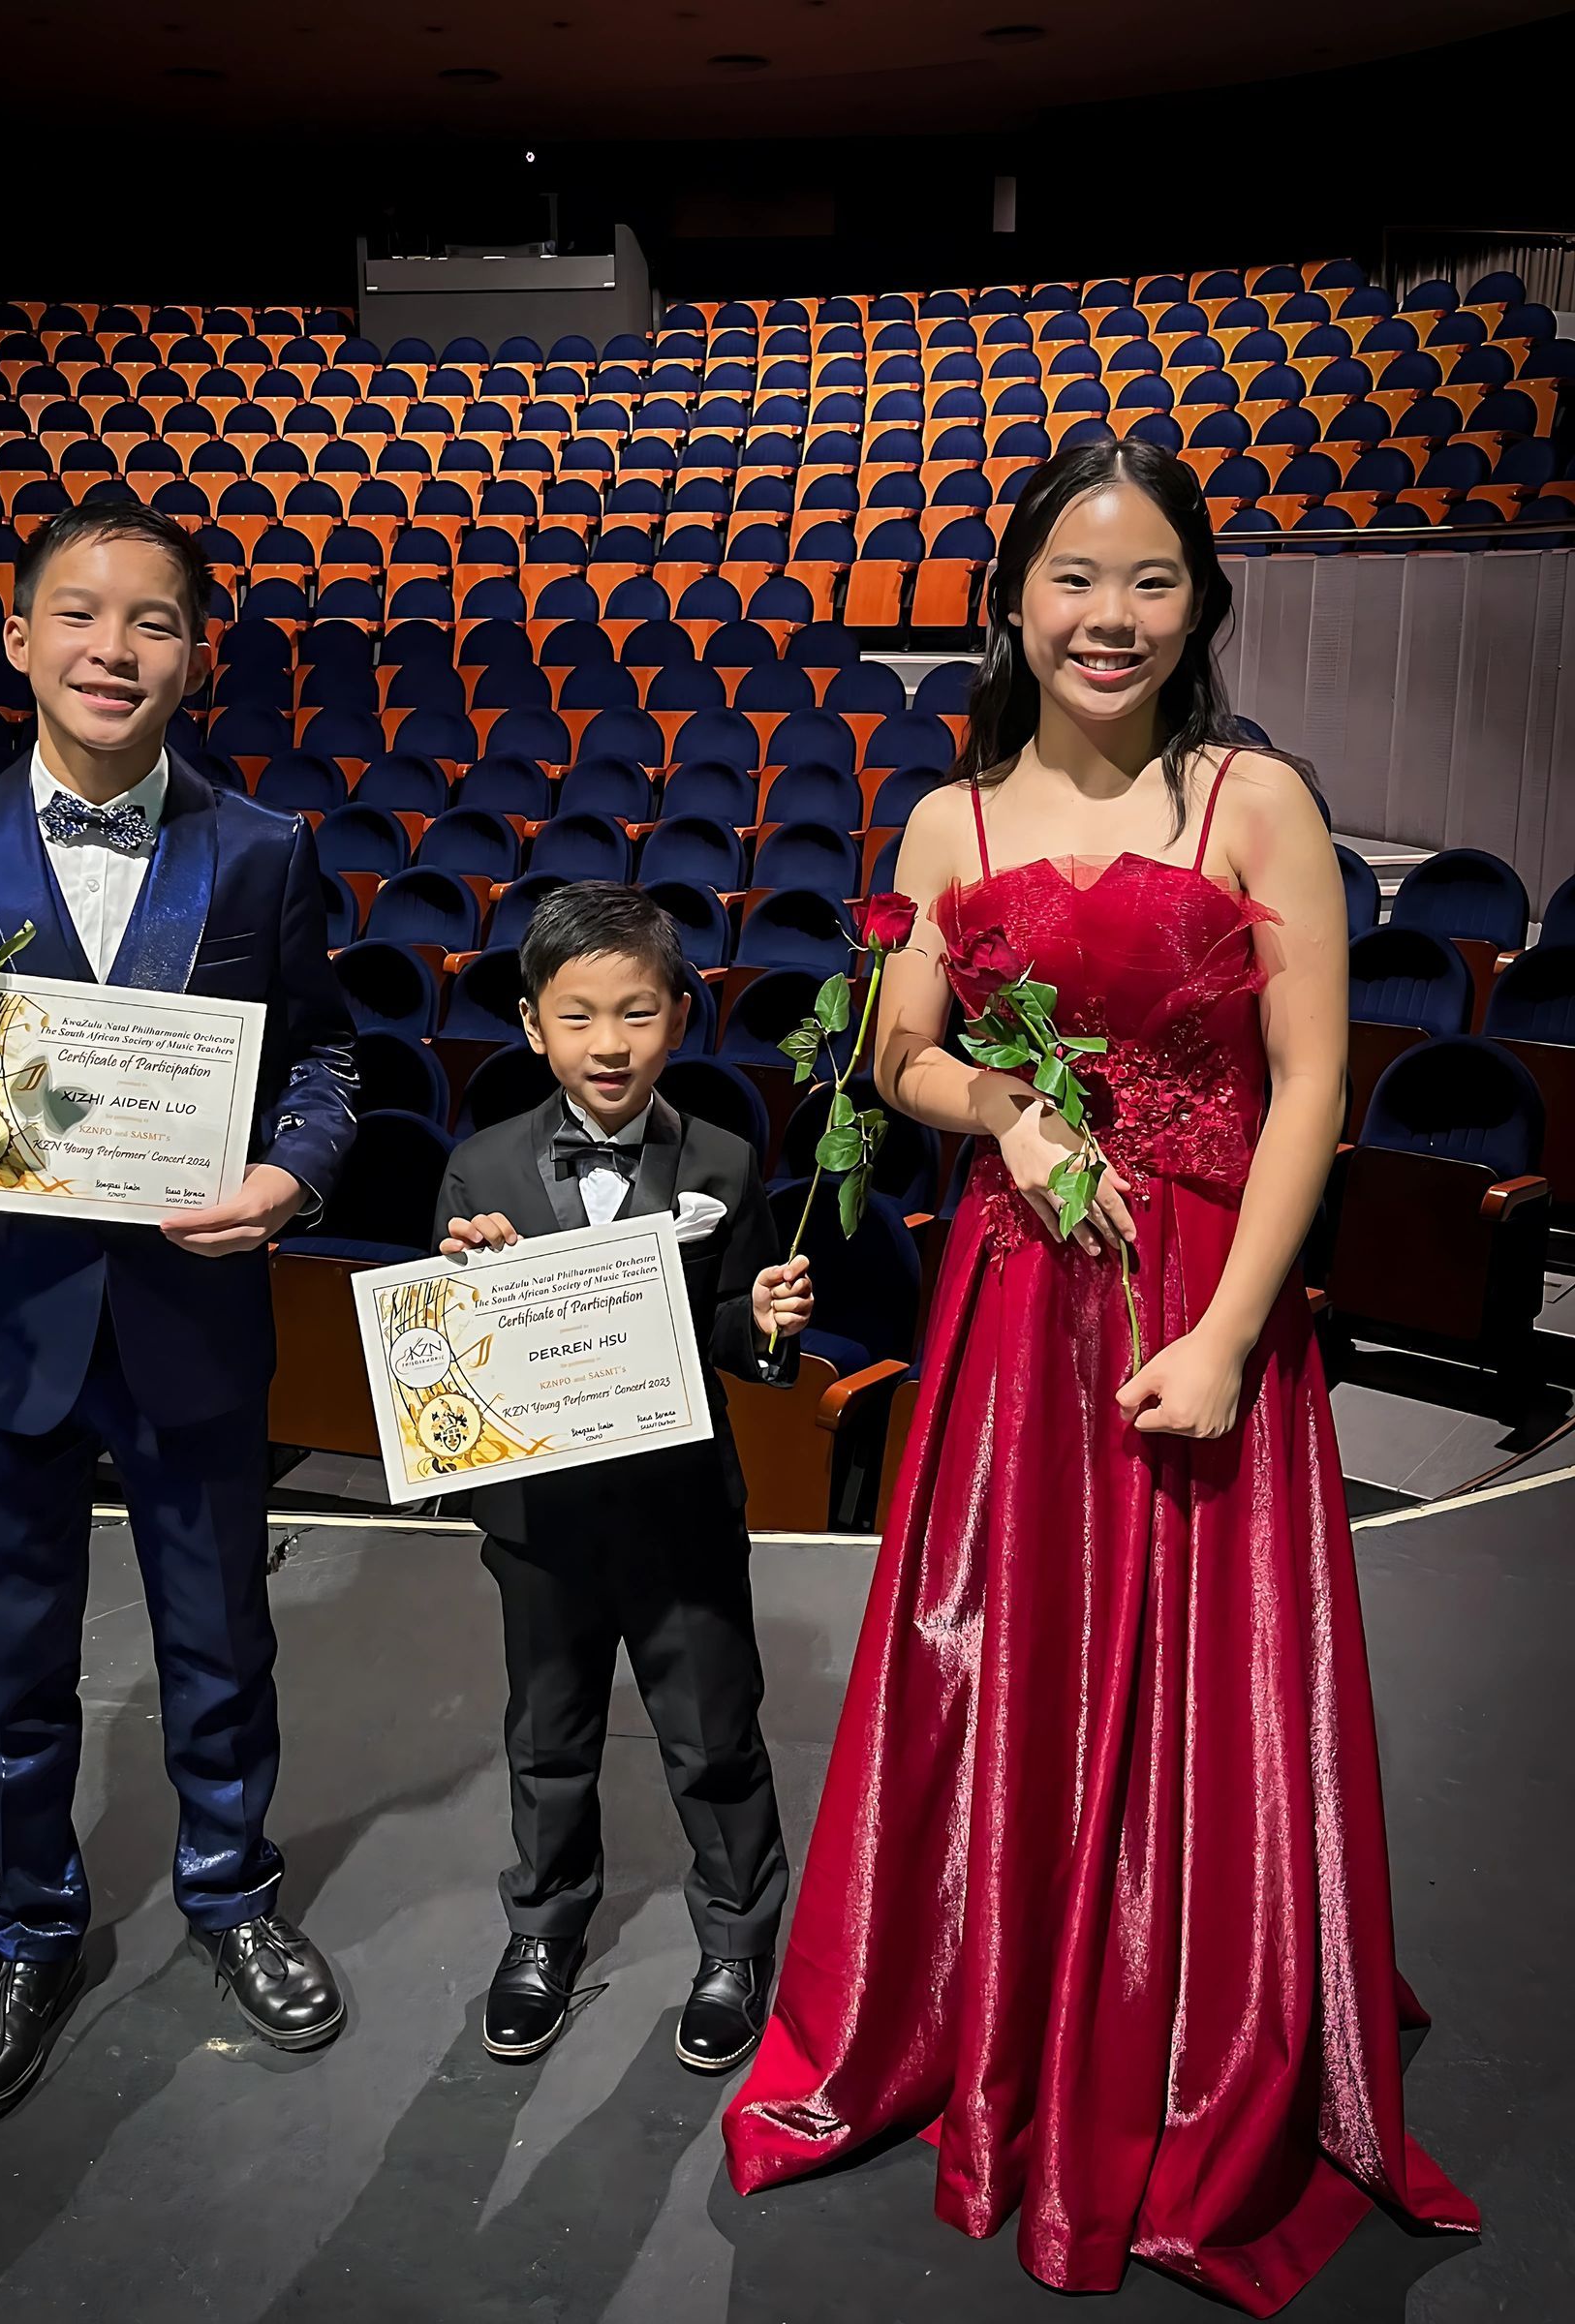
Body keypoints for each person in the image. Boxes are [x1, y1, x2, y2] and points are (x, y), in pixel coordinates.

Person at [723, 440, 1479, 2312]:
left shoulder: (1255, 799)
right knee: (1004, 1659)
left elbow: (1312, 1084)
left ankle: (1186, 2024)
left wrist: (1228, 1336)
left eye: (1152, 581)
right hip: (1013, 1301)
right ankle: (997, 1997)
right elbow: (901, 1055)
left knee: (1206, 1673)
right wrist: (1003, 1108)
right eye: (1074, 576)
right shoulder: (948, 823)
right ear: (1011, 601)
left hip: (1206, 1288)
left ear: (1201, 604)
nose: (1110, 617)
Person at [0, 504, 360, 2121]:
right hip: (4, 1321)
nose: (112, 650)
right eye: (78, 613)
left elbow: (325, 1059)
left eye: (153, 621)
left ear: (198, 654)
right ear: (17, 638)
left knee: (222, 1635)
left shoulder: (263, 849)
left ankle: (233, 1892)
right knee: (10, 1658)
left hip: (192, 1314)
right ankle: (29, 1928)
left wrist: (289, 1179)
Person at [436, 882, 813, 2071]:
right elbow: (451, 1354)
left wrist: (765, 1326)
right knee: (548, 1737)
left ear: (681, 1016)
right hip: (540, 1520)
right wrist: (468, 1283)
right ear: (531, 1025)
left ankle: (736, 1939)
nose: (610, 1043)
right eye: (580, 1015)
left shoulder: (726, 1162)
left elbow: (737, 1338)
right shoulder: (479, 1169)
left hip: (680, 1511)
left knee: (713, 1738)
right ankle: (545, 1928)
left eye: (638, 1013)